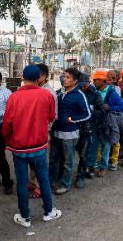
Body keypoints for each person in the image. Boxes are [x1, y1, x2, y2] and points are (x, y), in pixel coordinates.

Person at [1, 65, 61, 228]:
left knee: (21, 182)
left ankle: (25, 217)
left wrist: (8, 138)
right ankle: (49, 211)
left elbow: (7, 124)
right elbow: (51, 117)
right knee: (43, 179)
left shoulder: (14, 97)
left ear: (22, 77)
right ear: (39, 78)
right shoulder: (46, 95)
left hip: (19, 147)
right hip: (39, 146)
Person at [49, 67, 91, 195]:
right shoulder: (60, 92)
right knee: (53, 159)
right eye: (64, 76)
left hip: (70, 133)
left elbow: (88, 114)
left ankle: (65, 184)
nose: (64, 79)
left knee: (68, 161)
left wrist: (71, 119)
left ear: (75, 80)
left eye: (67, 77)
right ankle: (50, 181)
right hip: (56, 132)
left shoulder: (79, 95)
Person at [26, 63, 58, 198]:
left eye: (36, 74)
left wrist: (44, 130)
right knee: (32, 159)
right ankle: (32, 184)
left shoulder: (48, 93)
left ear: (43, 76)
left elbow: (53, 116)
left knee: (40, 161)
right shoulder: (33, 89)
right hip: (32, 131)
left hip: (42, 132)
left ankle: (39, 187)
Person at [88, 70, 123, 175]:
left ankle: (102, 168)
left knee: (106, 146)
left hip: (107, 124)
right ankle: (91, 167)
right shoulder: (95, 91)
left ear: (101, 81)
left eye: (96, 80)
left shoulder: (112, 92)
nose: (94, 82)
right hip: (95, 123)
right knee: (94, 145)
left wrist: (110, 107)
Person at [75, 72, 101, 188]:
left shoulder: (95, 94)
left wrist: (88, 113)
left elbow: (102, 111)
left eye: (84, 85)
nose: (82, 87)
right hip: (74, 127)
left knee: (84, 153)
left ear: (89, 83)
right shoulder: (75, 91)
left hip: (88, 128)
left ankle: (81, 175)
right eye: (80, 85)